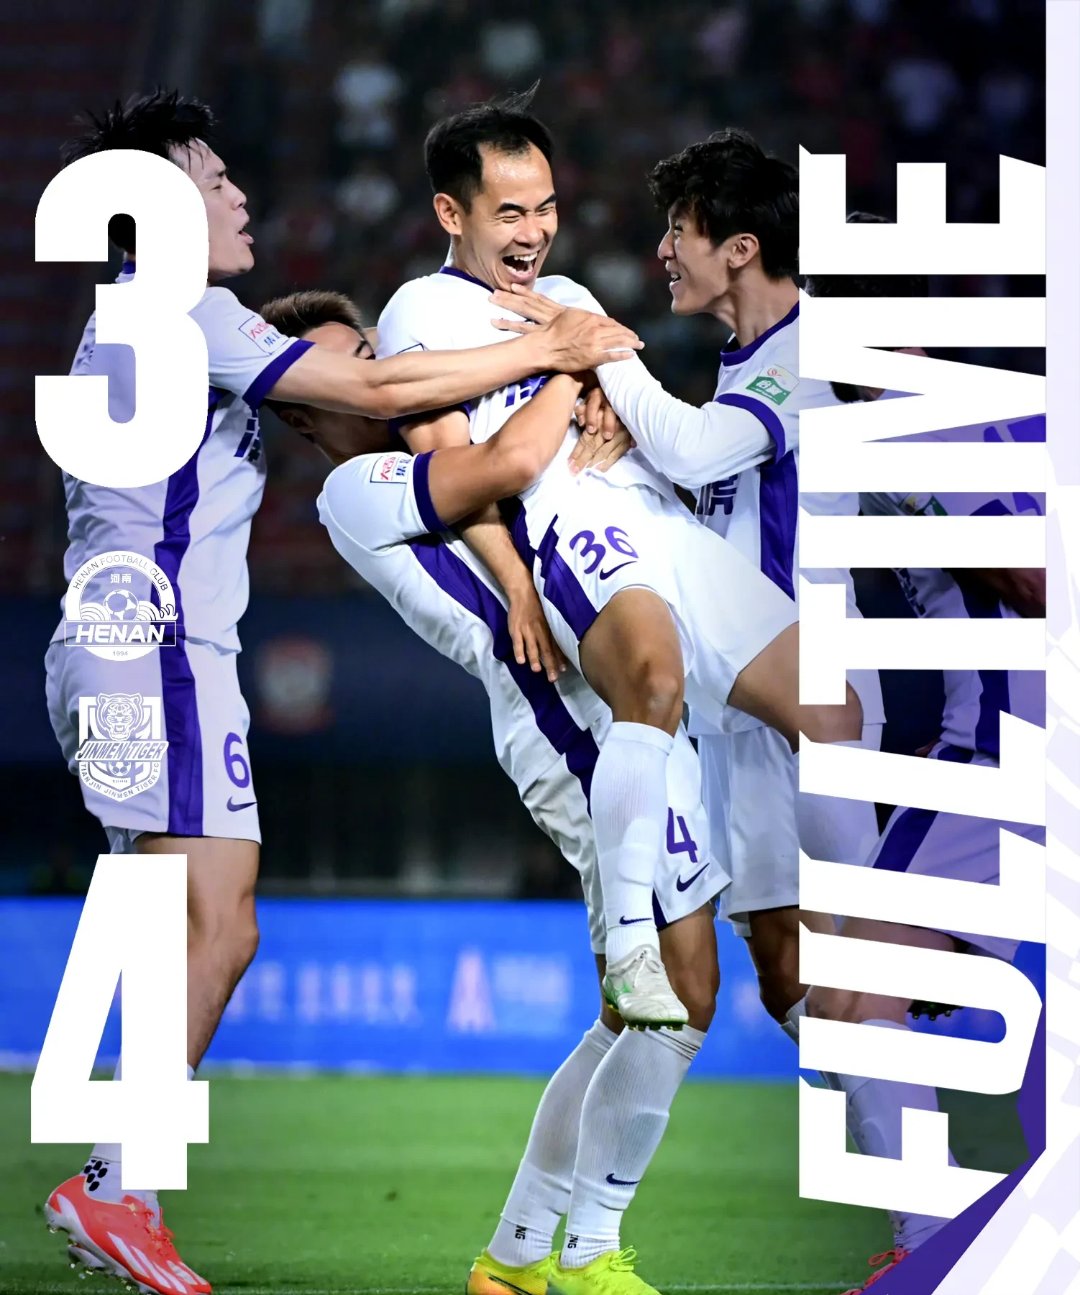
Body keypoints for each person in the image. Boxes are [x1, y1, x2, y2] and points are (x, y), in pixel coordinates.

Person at [41, 89, 639, 1295]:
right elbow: (376, 394)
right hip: (157, 645)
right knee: (218, 925)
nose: (238, 194)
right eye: (213, 179)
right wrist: (554, 350)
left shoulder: (144, 324)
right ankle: (116, 1187)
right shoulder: (177, 305)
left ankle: (117, 1183)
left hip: (118, 644)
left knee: (196, 926)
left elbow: (359, 399)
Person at [377, 92, 864, 1068]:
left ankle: (891, 939)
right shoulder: (419, 312)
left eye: (546, 207)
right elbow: (454, 470)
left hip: (665, 533)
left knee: (830, 709)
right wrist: (516, 581)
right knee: (661, 698)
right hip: (578, 547)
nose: (534, 231)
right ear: (451, 213)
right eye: (510, 212)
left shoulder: (580, 299)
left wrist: (600, 383)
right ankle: (637, 938)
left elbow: (638, 421)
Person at [259, 287, 727, 1295]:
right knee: (682, 986)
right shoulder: (360, 487)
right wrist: (570, 355)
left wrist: (596, 400)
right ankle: (584, 1252)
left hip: (600, 697)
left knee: (639, 1007)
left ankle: (516, 1258)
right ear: (303, 408)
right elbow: (511, 463)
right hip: (563, 717)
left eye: (376, 349)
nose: (382, 368)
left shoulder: (433, 439)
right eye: (354, 363)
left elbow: (533, 470)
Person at [493, 129, 884, 1047]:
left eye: (680, 229)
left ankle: (909, 1114)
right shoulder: (742, 363)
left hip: (805, 681)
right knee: (785, 970)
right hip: (737, 699)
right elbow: (702, 471)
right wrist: (637, 440)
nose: (663, 249)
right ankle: (883, 1100)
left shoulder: (812, 348)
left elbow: (699, 449)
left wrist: (601, 350)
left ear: (740, 247)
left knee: (856, 964)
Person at [802, 243, 1045, 1295]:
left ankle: (936, 1252)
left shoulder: (917, 424)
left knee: (853, 998)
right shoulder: (975, 409)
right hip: (994, 747)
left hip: (1002, 752)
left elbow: (1034, 579)